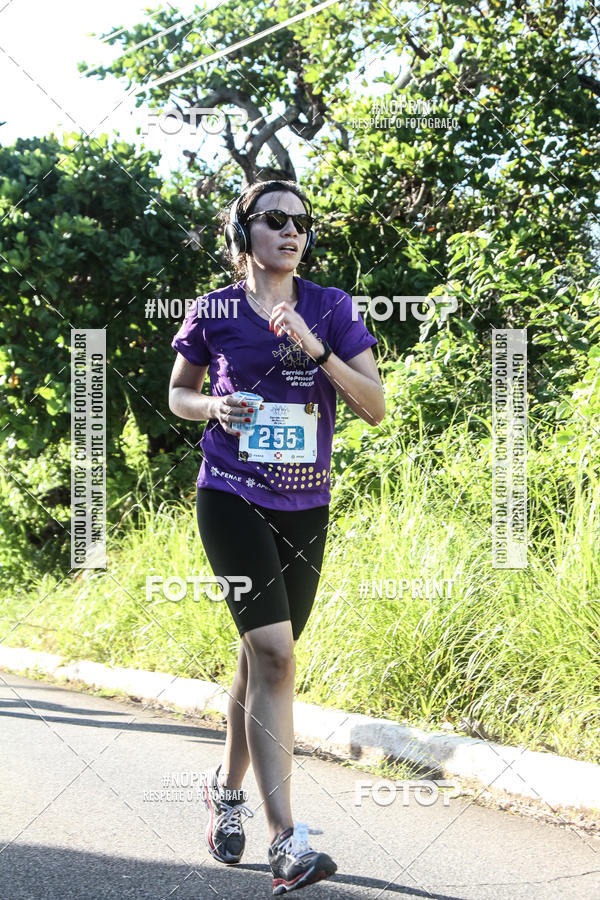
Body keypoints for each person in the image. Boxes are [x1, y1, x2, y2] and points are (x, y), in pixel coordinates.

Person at [168, 179, 385, 894]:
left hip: (304, 505)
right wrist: (214, 406)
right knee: (276, 656)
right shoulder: (216, 310)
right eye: (274, 221)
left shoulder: (331, 307)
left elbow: (375, 406)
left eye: (301, 222)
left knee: (257, 659)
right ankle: (285, 841)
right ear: (244, 234)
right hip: (229, 496)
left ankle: (224, 793)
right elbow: (179, 392)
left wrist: (316, 349)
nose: (291, 232)